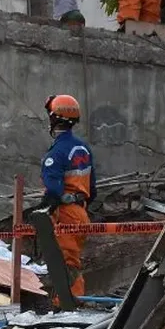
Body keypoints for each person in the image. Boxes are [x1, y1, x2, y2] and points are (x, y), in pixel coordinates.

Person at [38, 95, 96, 307]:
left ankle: (68, 306)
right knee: (71, 261)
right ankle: (67, 301)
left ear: (55, 119)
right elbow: (93, 189)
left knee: (65, 263)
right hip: (81, 212)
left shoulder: (57, 152)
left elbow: (53, 189)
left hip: (65, 214)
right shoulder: (83, 149)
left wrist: (42, 208)